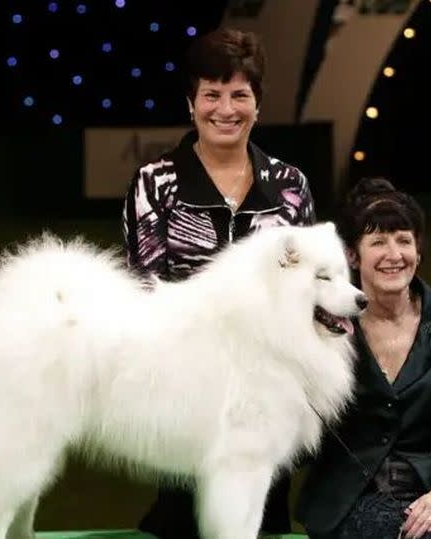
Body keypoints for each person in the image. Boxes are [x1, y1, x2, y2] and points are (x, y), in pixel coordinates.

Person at [122, 27, 316, 538]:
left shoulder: (290, 187)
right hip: (184, 394)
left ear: (257, 104)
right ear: (191, 104)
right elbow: (145, 290)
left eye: (239, 95)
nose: (225, 109)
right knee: (180, 523)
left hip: (267, 400)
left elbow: (309, 292)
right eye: (211, 94)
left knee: (261, 523)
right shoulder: (154, 182)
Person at [296, 178, 431, 538]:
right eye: (378, 242)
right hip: (354, 498)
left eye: (404, 240)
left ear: (418, 251)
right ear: (352, 255)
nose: (394, 255)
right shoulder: (323, 324)